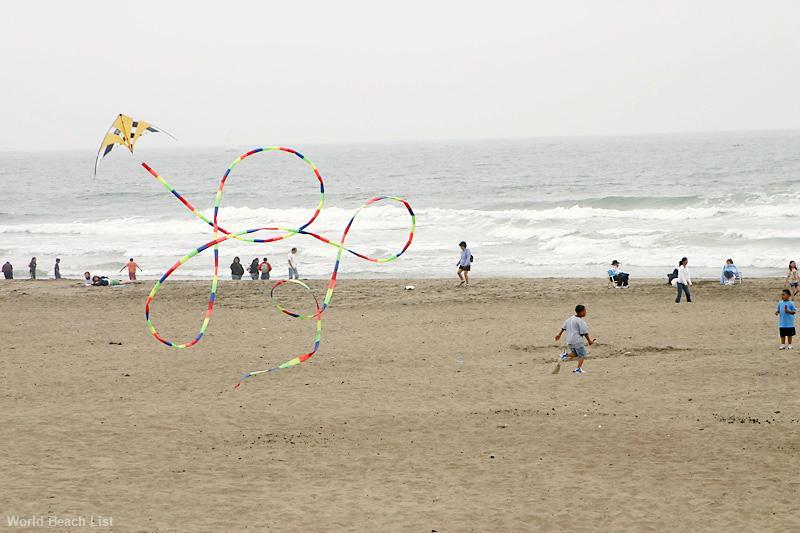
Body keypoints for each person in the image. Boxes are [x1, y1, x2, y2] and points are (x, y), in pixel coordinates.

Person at [555, 304, 596, 374]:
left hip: (569, 340)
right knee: (582, 355)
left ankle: (565, 355)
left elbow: (563, 327)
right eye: (585, 311)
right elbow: (584, 333)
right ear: (581, 312)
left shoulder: (570, 318)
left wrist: (559, 335)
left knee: (575, 353)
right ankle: (578, 369)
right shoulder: (581, 321)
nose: (586, 312)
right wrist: (589, 341)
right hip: (577, 341)